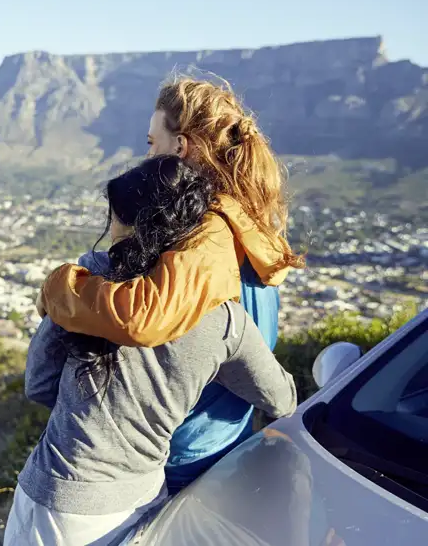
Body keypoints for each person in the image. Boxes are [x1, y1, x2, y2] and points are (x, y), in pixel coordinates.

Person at [4, 155, 298, 546]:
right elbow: (281, 398)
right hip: (135, 500)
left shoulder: (85, 285)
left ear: (133, 226)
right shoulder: (226, 321)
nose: (110, 229)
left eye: (115, 218)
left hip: (48, 489)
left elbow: (38, 384)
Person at [36, 77, 306, 492]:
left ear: (180, 148)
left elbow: (142, 318)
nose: (147, 155)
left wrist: (61, 287)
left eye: (151, 142)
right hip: (226, 438)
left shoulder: (203, 236)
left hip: (185, 454)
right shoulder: (249, 226)